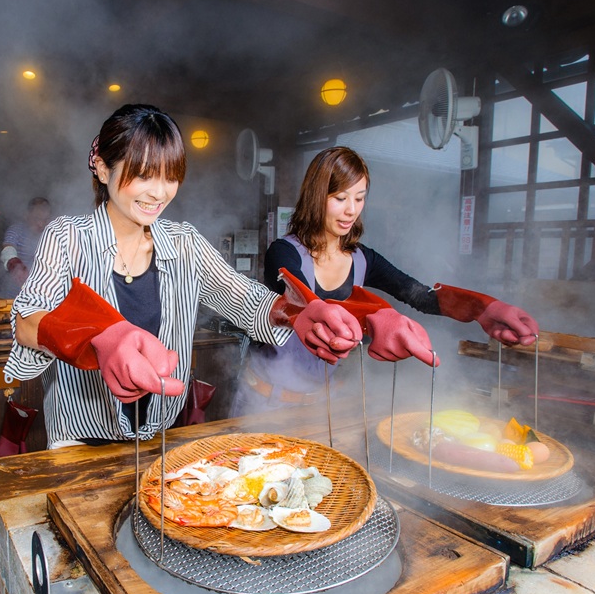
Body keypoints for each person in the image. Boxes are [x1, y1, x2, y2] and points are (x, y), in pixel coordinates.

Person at [3, 104, 361, 448]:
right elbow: (27, 321)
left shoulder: (183, 243)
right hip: (80, 438)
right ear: (102, 168)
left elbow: (246, 299)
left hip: (159, 436)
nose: (159, 193)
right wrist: (97, 337)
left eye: (170, 176)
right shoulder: (68, 237)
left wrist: (298, 312)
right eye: (143, 175)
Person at [230, 146, 540, 416]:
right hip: (264, 401)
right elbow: (302, 303)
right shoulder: (283, 252)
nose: (351, 210)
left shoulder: (363, 259)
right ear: (316, 197)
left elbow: (419, 295)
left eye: (359, 198)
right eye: (340, 198)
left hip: (320, 406)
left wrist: (483, 308)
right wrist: (373, 317)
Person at [0, 196, 52, 284]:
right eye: (37, 218)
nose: (41, 224)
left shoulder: (50, 235)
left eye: (45, 220)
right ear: (27, 215)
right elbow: (8, 250)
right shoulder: (16, 230)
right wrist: (15, 265)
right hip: (13, 290)